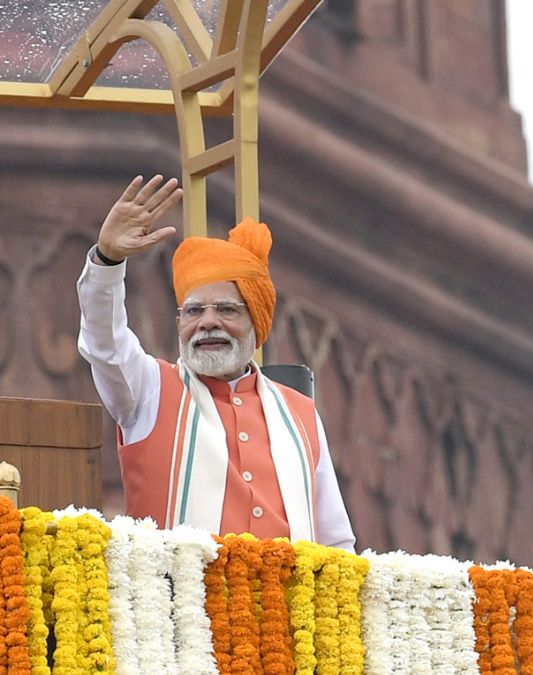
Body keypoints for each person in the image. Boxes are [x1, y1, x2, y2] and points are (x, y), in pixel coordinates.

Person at [77, 174, 355, 550]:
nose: (207, 322)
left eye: (226, 309)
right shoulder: (150, 391)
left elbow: (336, 541)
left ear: (256, 325)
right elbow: (103, 344)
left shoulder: (301, 414)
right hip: (178, 605)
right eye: (194, 311)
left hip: (287, 605)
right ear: (180, 323)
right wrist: (107, 261)